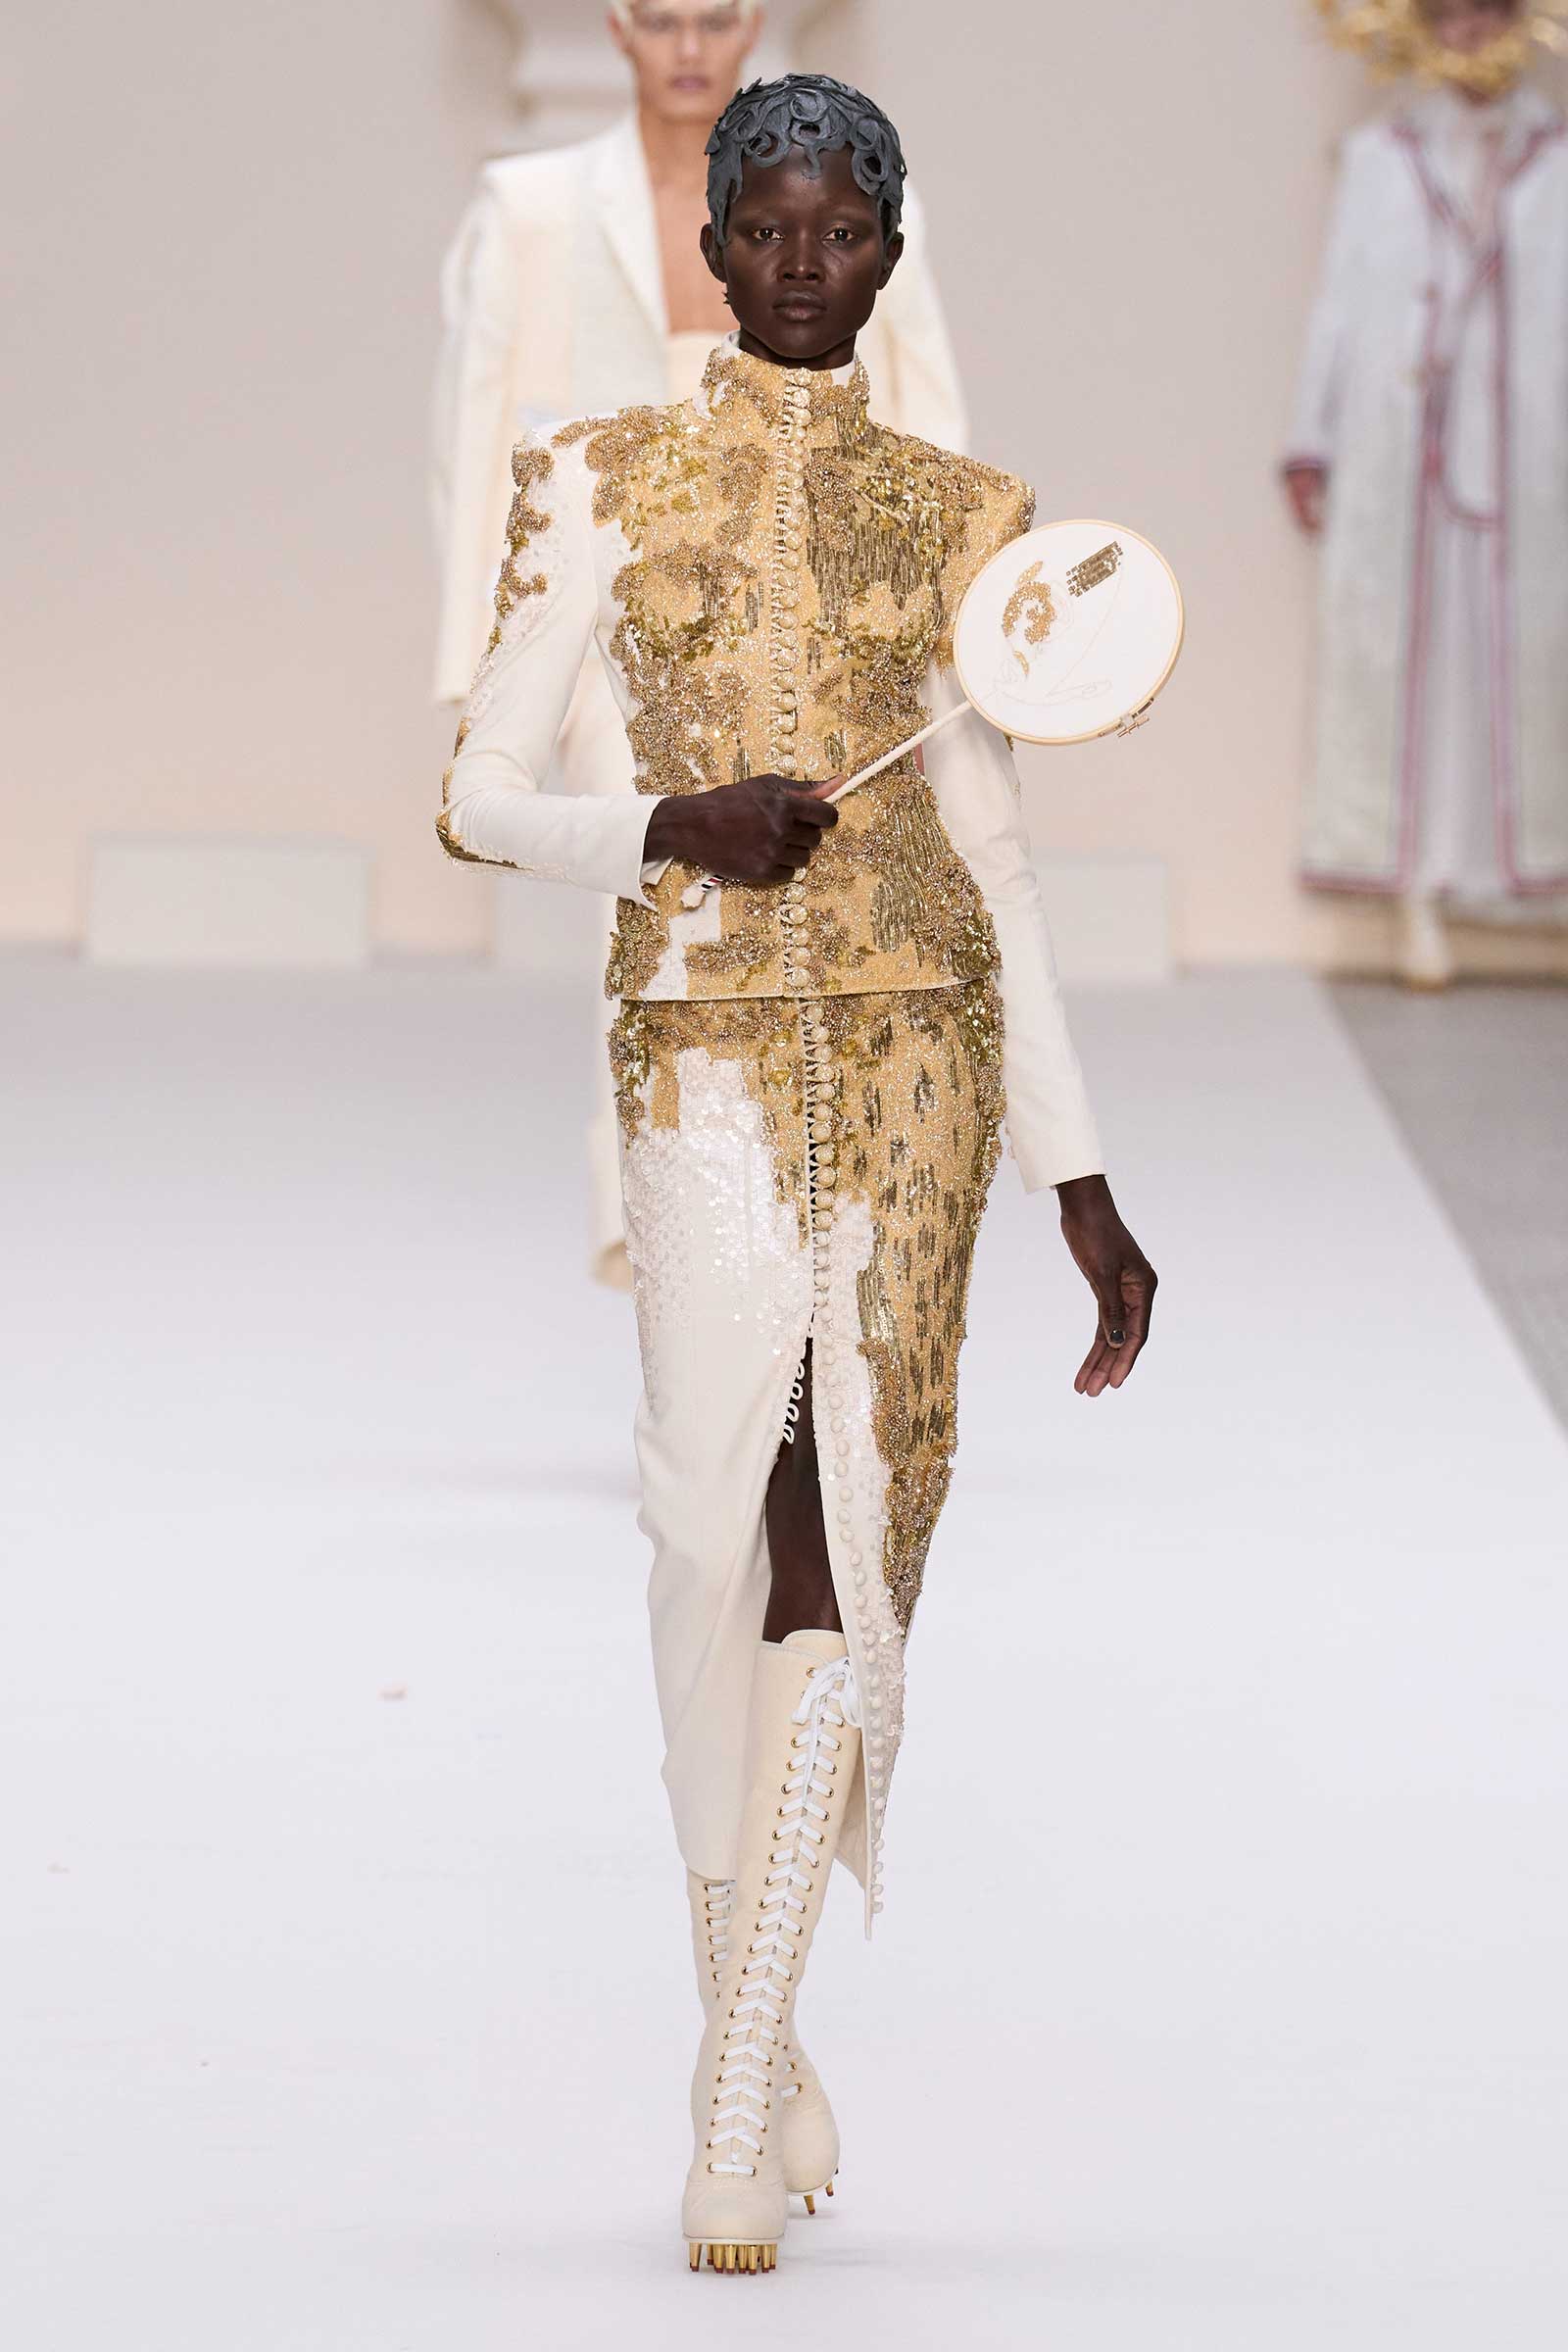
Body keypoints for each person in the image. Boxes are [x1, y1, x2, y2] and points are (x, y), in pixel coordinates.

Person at [436, 72, 1156, 2273]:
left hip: (924, 1048)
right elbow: (477, 794)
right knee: (698, 1532)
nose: (805, 265)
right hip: (701, 1054)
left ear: (890, 250)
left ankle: (739, 2087)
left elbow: (993, 854)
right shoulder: (599, 477)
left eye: (845, 231)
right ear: (716, 249)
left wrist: (1077, 1179)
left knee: (846, 1524)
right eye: (768, 228)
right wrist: (670, 824)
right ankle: (741, 2020)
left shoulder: (964, 515)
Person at [433, 6, 969, 1285]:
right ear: (618, 25)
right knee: (661, 885)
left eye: (714, 15)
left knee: (817, 900)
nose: (688, 45)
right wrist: (487, 674)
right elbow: (475, 437)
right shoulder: (530, 207)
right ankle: (657, 1217)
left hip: (818, 601)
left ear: (753, 23)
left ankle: (799, 1225)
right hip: (614, 623)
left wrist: (939, 643)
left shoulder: (858, 196)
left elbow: (925, 411)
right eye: (661, 16)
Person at [1287, 0, 1568, 986]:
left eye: (1489, 11)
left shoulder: (1556, 157)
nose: (1469, 33)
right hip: (1405, 446)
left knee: (1535, 655)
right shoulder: (1383, 155)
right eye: (1449, 14)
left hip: (1532, 452)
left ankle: (1531, 881)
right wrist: (1311, 437)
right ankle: (1416, 886)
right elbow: (1338, 301)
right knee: (1412, 657)